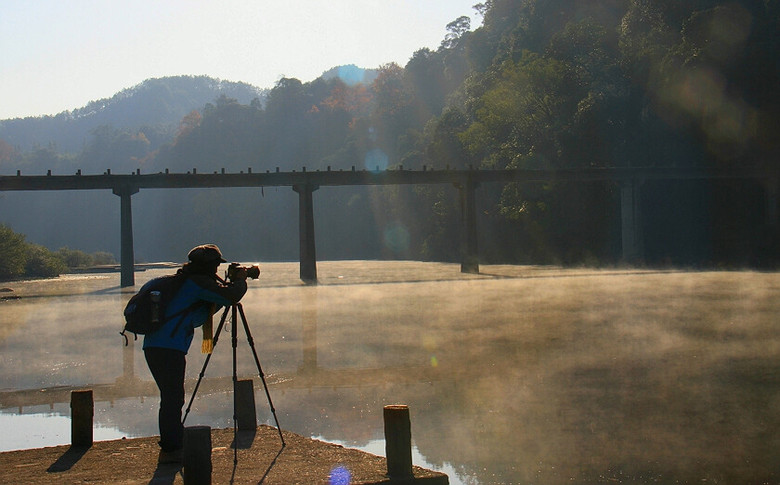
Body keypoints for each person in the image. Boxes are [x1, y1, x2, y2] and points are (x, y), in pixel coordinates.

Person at [143, 243, 248, 464]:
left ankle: (173, 442)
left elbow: (200, 314)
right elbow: (231, 297)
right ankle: (172, 449)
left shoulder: (181, 281)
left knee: (171, 396)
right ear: (209, 266)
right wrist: (240, 280)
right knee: (172, 397)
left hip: (154, 346)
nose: (217, 271)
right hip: (168, 348)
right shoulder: (196, 283)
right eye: (216, 266)